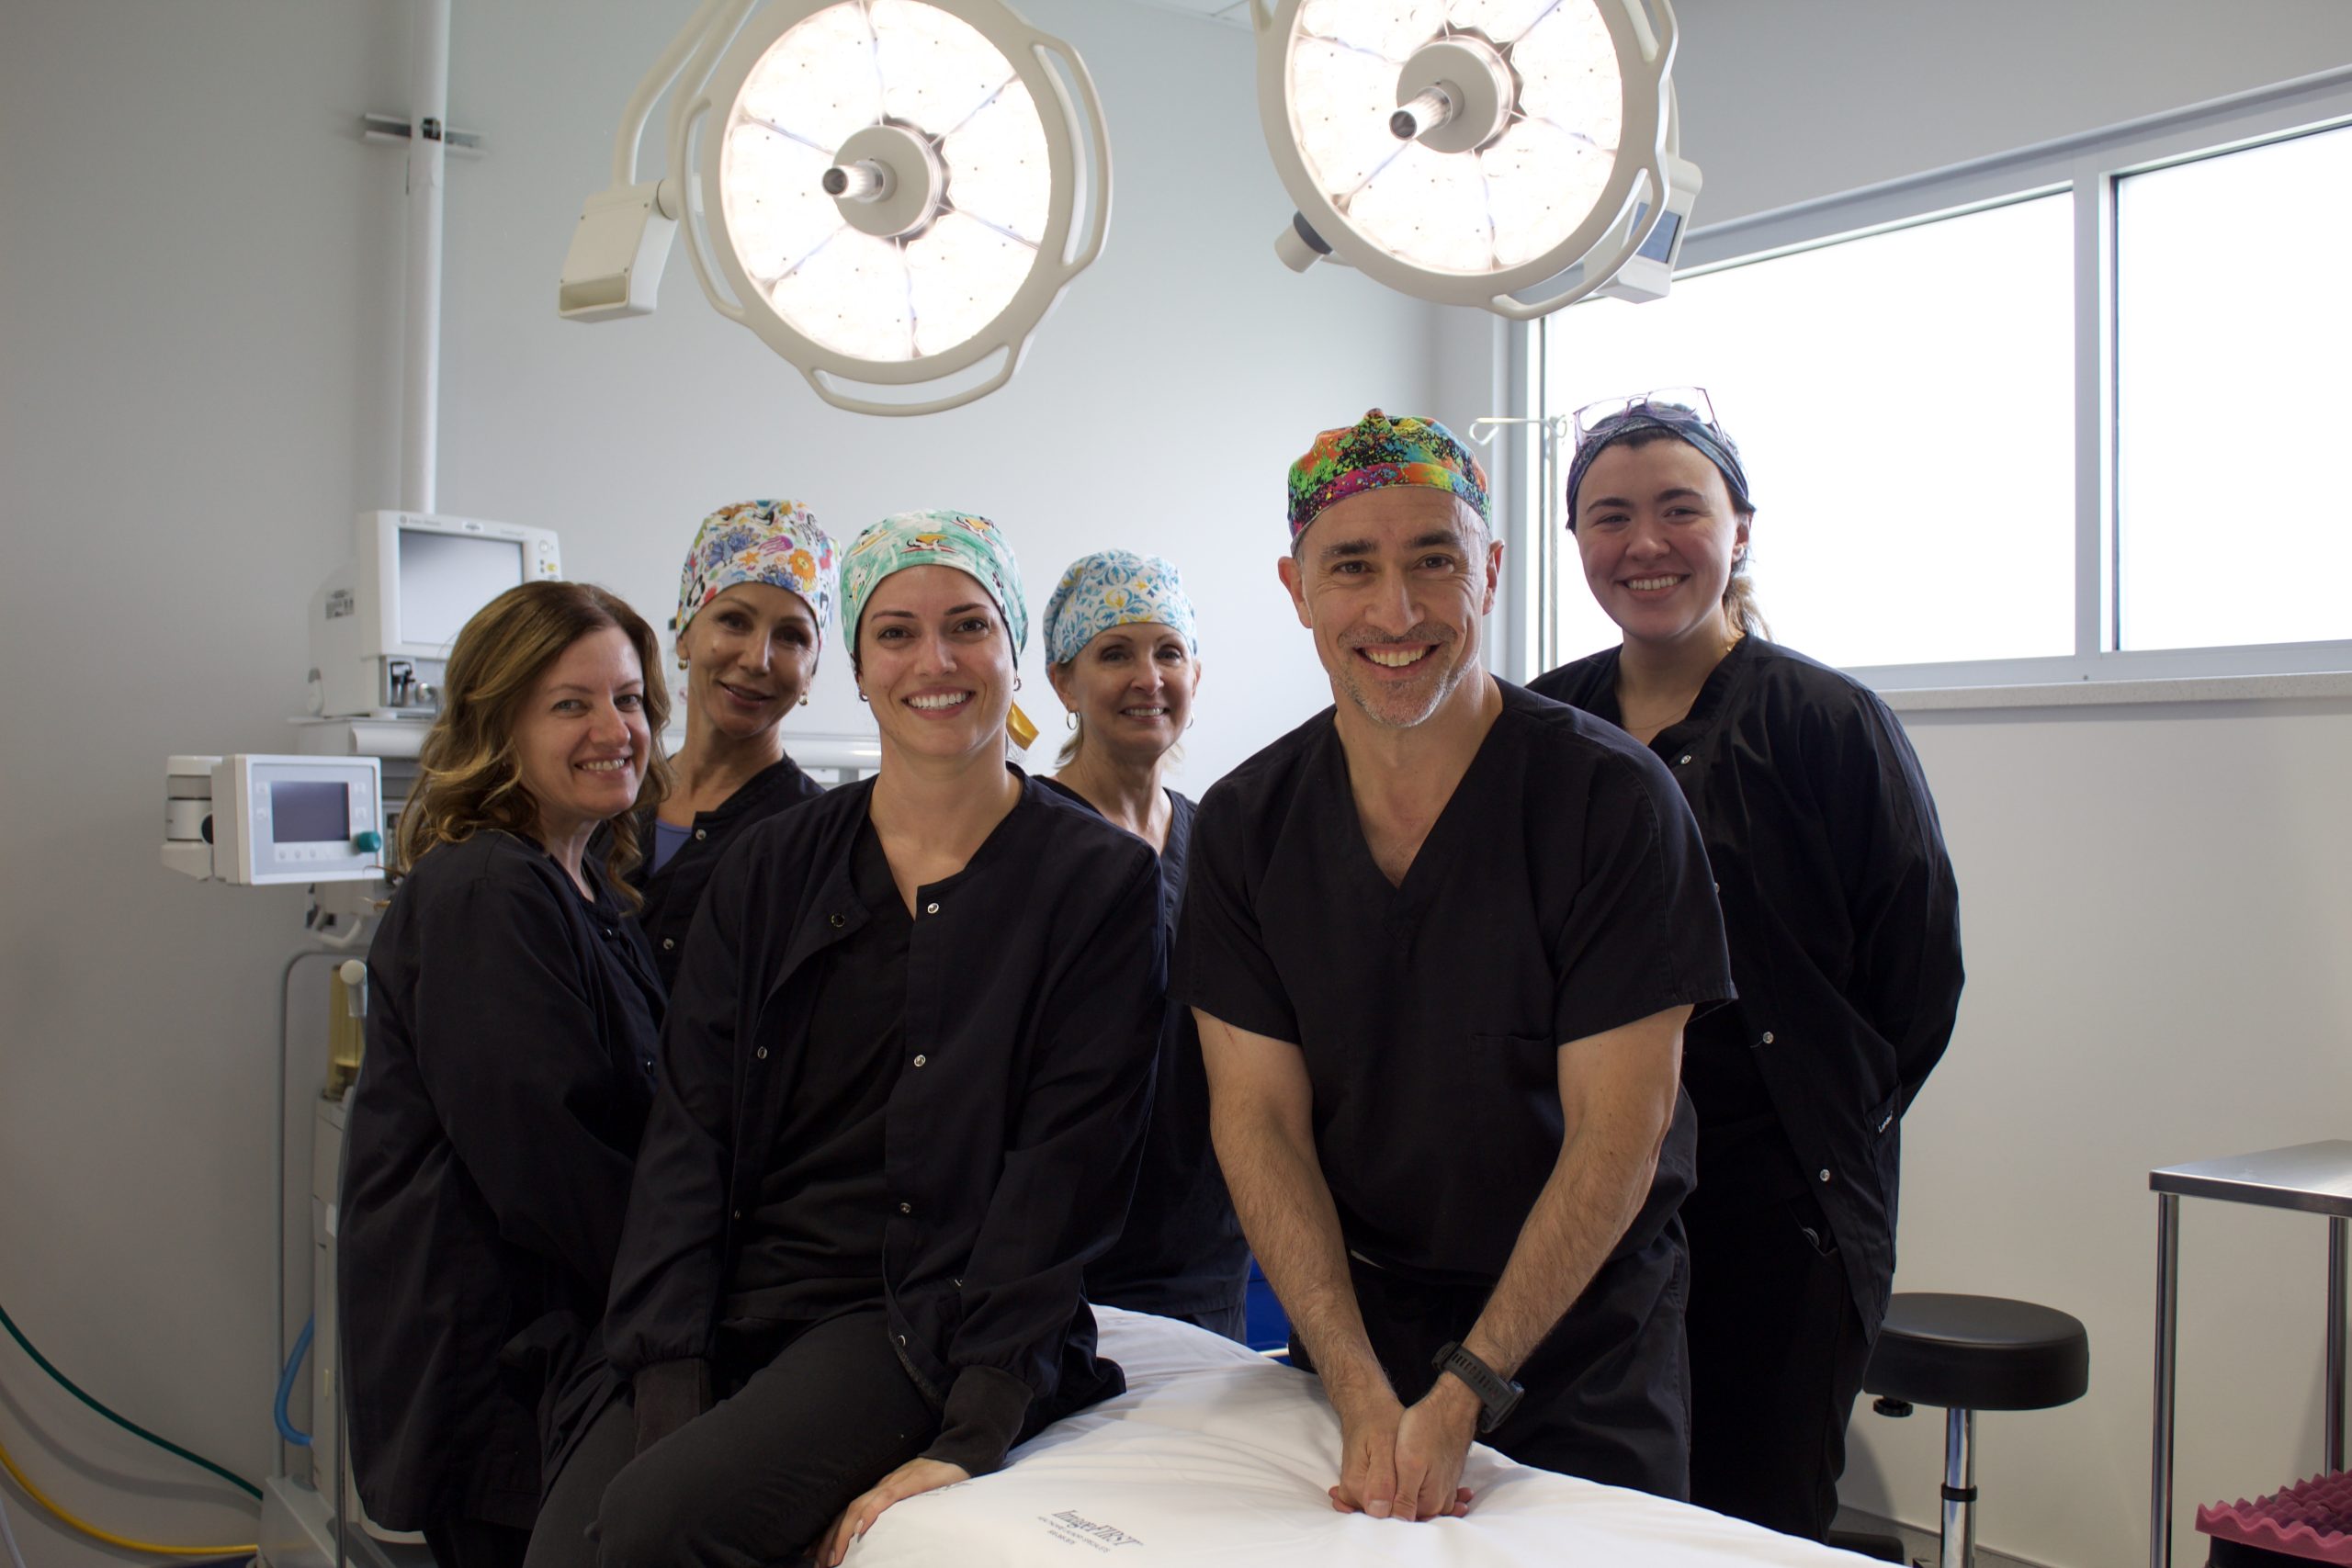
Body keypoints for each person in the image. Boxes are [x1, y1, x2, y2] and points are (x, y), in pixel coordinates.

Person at [530, 511, 1165, 1568]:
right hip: (741, 1291)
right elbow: (692, 1133)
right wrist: (667, 1371)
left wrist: (977, 1424)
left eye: (968, 626)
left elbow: (1067, 1172)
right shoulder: (774, 864)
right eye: (896, 633)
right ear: (860, 669)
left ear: (1014, 654)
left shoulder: (1096, 881)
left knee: (653, 1528)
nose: (936, 661)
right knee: (567, 1544)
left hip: (917, 1313)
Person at [1177, 410, 1736, 1524]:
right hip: (1357, 1338)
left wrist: (1469, 1386)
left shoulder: (1610, 803)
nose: (1396, 612)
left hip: (1584, 1341)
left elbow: (1618, 1133)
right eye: (1353, 568)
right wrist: (1352, 1380)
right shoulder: (1247, 825)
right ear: (1296, 587)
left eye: (1434, 560)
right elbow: (1259, 1123)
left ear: (1486, 570)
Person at [1528, 390, 1963, 1540]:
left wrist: (1813, 1118)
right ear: (1576, 543)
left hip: (1783, 1212)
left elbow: (1915, 977)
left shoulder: (1826, 721)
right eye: (1610, 517)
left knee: (1750, 1522)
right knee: (1593, 1521)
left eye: (1680, 509)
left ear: (1741, 528)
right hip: (1585, 1204)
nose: (1646, 544)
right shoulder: (1542, 727)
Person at [339, 581, 673, 1568]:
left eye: (628, 699)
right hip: (501, 1371)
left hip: (554, 1353)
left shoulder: (586, 884)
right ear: (498, 726)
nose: (614, 729)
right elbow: (548, 1166)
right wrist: (696, 1300)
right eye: (570, 705)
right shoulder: (488, 889)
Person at [1038, 549, 1249, 1339]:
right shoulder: (1026, 841)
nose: (1147, 677)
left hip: (1204, 1250)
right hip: (1066, 1256)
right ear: (1065, 682)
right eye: (1114, 653)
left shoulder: (1221, 839)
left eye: (1168, 651)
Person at [627, 500, 837, 990]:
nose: (757, 659)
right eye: (734, 621)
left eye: (791, 636)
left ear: (812, 672)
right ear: (684, 633)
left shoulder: (816, 839)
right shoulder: (612, 798)